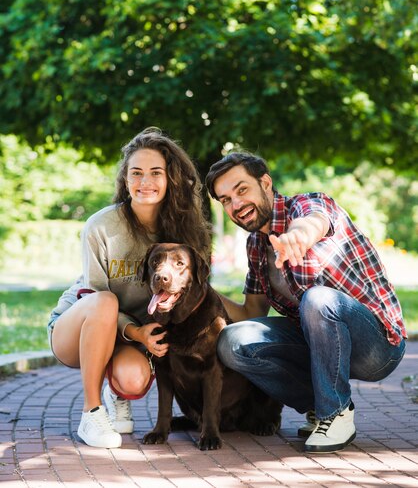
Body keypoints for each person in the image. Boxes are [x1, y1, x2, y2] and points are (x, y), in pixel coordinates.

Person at [205, 151, 406, 453]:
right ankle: (320, 404)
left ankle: (335, 412)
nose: (236, 205)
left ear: (266, 183)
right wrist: (201, 291)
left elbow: (315, 222)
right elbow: (250, 313)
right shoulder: (257, 246)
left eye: (242, 190)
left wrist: (296, 236)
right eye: (225, 200)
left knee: (317, 298)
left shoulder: (308, 204)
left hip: (377, 343)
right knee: (233, 341)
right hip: (319, 345)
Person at [47, 127, 210, 449]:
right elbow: (91, 296)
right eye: (136, 173)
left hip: (132, 335)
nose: (144, 182)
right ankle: (91, 413)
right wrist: (137, 333)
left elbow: (196, 292)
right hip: (77, 327)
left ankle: (113, 387)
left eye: (155, 173)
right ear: (125, 179)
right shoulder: (102, 226)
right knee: (105, 301)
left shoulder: (189, 232)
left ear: (171, 178)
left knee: (133, 381)